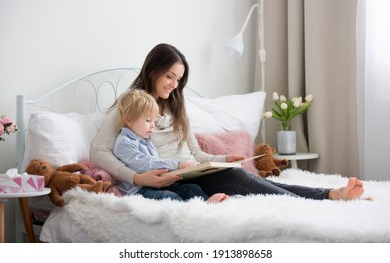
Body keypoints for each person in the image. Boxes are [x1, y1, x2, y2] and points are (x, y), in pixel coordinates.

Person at [91, 43, 367, 202]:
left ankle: (328, 194)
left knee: (239, 174)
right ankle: (326, 197)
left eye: (179, 80)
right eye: (169, 77)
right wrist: (137, 177)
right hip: (167, 179)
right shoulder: (132, 105)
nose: (174, 86)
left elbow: (196, 154)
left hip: (193, 171)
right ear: (153, 71)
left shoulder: (177, 104)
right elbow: (99, 152)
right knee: (240, 179)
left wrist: (224, 157)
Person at [112, 88, 228, 203]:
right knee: (169, 197)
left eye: (154, 121)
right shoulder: (124, 143)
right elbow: (147, 164)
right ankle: (190, 212)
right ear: (129, 120)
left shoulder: (145, 139)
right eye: (148, 120)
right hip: (137, 190)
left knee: (191, 188)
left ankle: (206, 203)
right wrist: (177, 165)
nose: (153, 126)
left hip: (156, 185)